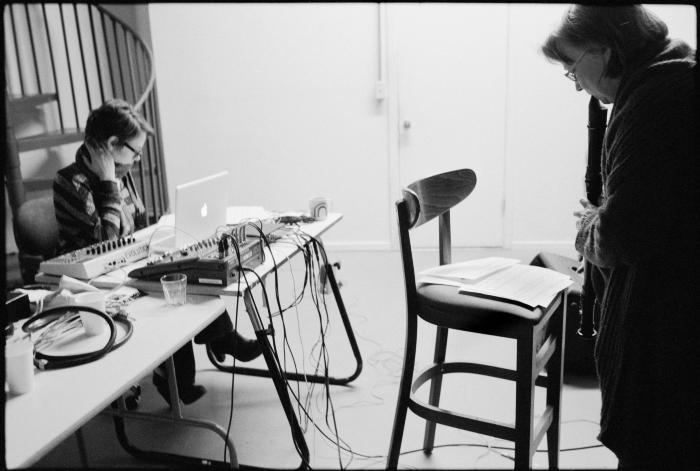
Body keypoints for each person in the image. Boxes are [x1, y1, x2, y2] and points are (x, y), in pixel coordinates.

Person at [541, 5, 699, 469]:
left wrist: (590, 225)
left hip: (666, 327)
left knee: (652, 443)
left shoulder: (654, 99)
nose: (573, 82)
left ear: (605, 50)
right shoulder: (674, 73)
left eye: (572, 66)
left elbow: (618, 238)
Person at [53, 99, 261, 406]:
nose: (137, 160)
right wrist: (110, 182)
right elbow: (103, 242)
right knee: (168, 286)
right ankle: (183, 371)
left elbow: (137, 221)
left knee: (186, 270)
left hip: (126, 265)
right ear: (112, 144)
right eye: (135, 152)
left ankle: (219, 341)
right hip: (93, 281)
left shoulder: (121, 170)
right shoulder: (71, 181)